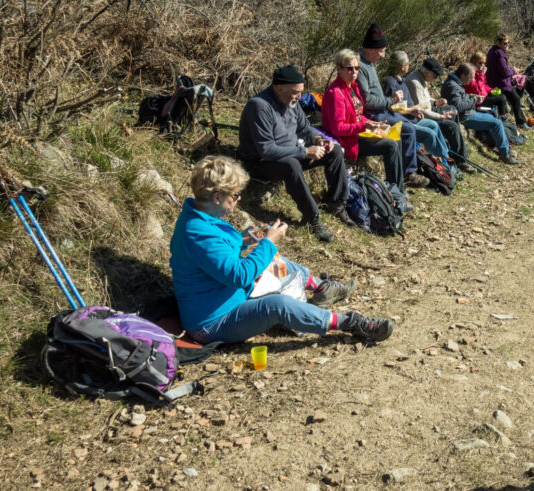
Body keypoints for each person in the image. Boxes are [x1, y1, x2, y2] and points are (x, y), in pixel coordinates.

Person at [169, 155, 393, 344]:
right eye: (235, 195)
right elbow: (238, 275)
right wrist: (269, 241)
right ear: (217, 197)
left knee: (273, 259)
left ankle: (321, 288)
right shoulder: (198, 233)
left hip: (229, 296)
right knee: (277, 305)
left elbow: (217, 256)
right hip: (214, 320)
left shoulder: (203, 216)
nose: (238, 199)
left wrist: (244, 239)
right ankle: (349, 322)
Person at [237, 65, 348, 243]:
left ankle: (338, 203)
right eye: (295, 92)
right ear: (279, 87)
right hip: (260, 163)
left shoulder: (292, 102)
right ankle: (312, 218)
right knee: (291, 164)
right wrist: (304, 152)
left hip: (290, 154)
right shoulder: (259, 106)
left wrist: (318, 140)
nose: (299, 96)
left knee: (333, 150)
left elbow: (305, 129)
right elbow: (266, 150)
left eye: (301, 92)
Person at [322, 48, 406, 192]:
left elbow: (358, 115)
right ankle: (395, 192)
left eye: (357, 68)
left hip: (357, 135)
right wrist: (364, 126)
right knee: (391, 146)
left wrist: (374, 124)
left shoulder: (352, 87)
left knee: (395, 138)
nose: (354, 72)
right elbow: (338, 128)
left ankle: (398, 191)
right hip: (347, 142)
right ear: (339, 69)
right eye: (349, 69)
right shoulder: (335, 93)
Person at [356, 24, 427, 188]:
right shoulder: (360, 66)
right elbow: (367, 101)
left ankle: (406, 173)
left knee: (408, 126)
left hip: (382, 110)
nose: (383, 55)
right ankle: (409, 173)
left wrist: (390, 101)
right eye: (382, 51)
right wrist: (390, 101)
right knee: (407, 128)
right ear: (372, 49)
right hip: (373, 115)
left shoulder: (369, 63)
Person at [404, 57, 477, 173]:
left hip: (428, 110)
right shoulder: (414, 82)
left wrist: (436, 102)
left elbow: (425, 100)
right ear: (427, 72)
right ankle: (461, 159)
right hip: (420, 117)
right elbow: (422, 110)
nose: (436, 78)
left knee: (452, 109)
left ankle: (455, 151)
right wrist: (441, 116)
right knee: (452, 126)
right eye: (435, 75)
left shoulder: (422, 78)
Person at [442, 62, 520, 165]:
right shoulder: (452, 86)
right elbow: (458, 107)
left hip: (469, 113)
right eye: (471, 77)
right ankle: (505, 154)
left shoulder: (455, 82)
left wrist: (470, 97)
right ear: (463, 75)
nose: (471, 80)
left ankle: (505, 148)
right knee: (496, 123)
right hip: (464, 117)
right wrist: (474, 100)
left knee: (493, 116)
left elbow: (459, 100)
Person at [383, 51, 452, 163]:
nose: (409, 66)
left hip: (411, 118)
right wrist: (412, 110)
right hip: (402, 122)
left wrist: (415, 111)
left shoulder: (402, 80)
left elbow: (406, 103)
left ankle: (444, 156)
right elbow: (392, 108)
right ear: (402, 67)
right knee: (429, 134)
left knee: (433, 125)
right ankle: (445, 159)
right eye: (408, 64)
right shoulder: (391, 82)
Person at [485, 34, 528, 129]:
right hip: (501, 84)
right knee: (516, 99)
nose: (507, 45)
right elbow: (504, 72)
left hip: (492, 82)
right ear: (499, 43)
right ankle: (520, 123)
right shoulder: (500, 54)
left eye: (508, 43)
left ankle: (517, 122)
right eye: (505, 43)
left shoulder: (491, 51)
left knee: (511, 100)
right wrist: (514, 71)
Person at [465, 51, 509, 119]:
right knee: (501, 99)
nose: (482, 65)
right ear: (474, 63)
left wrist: (491, 90)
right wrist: (482, 75)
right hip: (476, 100)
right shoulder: (470, 73)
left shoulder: (478, 72)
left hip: (482, 96)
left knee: (501, 95)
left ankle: (500, 117)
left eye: (484, 63)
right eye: (480, 63)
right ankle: (502, 118)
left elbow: (483, 85)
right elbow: (476, 89)